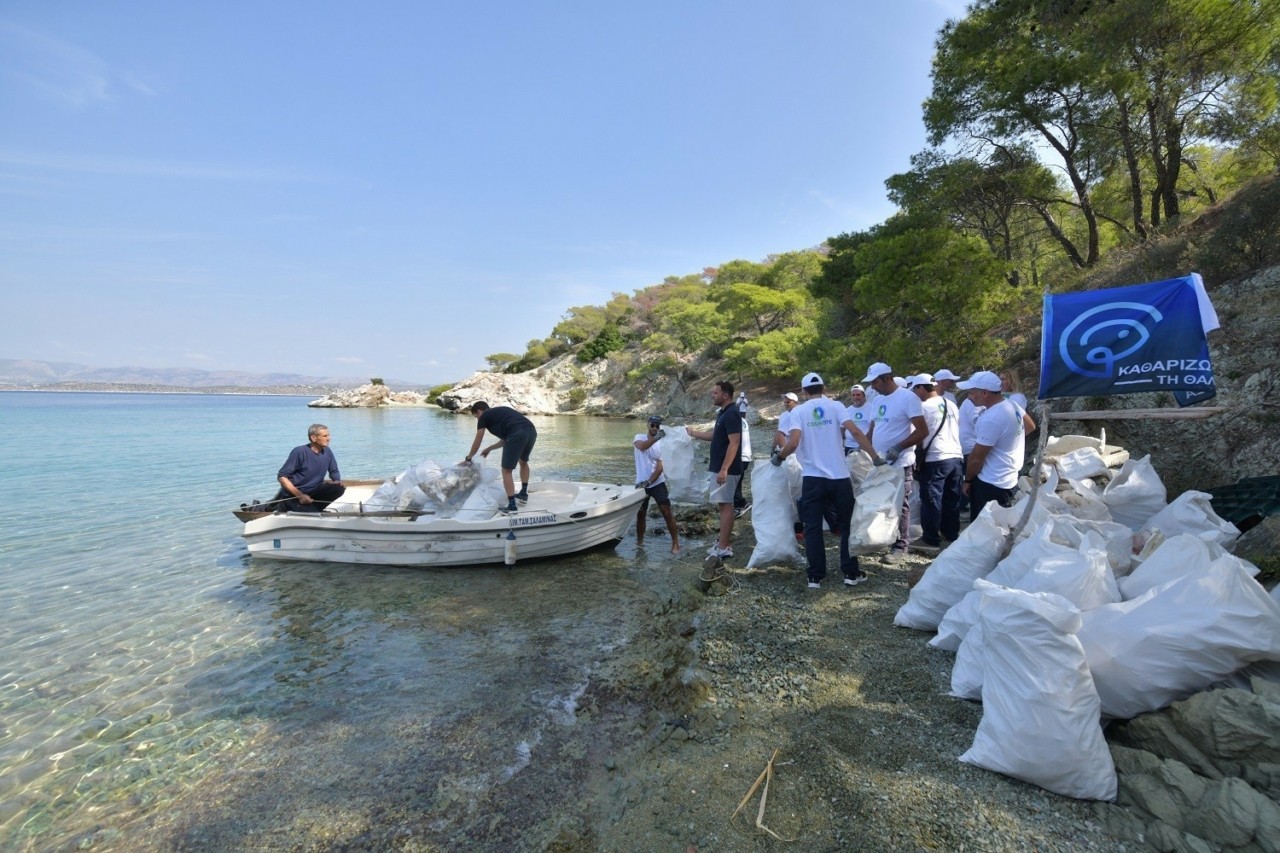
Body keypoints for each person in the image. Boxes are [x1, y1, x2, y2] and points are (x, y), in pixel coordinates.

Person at [775, 372, 882, 589]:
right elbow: (856, 433)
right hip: (839, 477)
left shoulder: (799, 412)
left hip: (812, 478)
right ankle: (850, 573)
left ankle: (815, 576)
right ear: (824, 389)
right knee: (847, 525)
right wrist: (875, 457)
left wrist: (779, 457)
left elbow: (793, 443)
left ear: (803, 392)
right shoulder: (837, 407)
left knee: (812, 527)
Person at [862, 361, 928, 561]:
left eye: (875, 382)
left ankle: (900, 546)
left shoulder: (907, 398)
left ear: (887, 378)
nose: (872, 387)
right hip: (880, 462)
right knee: (880, 501)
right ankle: (884, 538)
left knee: (900, 503)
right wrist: (864, 450)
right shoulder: (877, 400)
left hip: (901, 463)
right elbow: (873, 429)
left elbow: (922, 431)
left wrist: (899, 447)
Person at [958, 371, 1037, 520]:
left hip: (991, 481)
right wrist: (1008, 441)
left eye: (971, 392)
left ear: (985, 393)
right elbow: (1030, 426)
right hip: (1009, 477)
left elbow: (976, 458)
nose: (969, 397)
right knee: (1001, 524)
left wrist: (967, 481)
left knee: (983, 527)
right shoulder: (1011, 404)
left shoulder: (991, 418)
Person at [686, 380, 743, 560]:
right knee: (723, 505)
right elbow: (715, 436)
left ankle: (724, 547)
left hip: (726, 469)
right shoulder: (723, 413)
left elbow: (734, 443)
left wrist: (724, 469)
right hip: (720, 467)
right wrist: (692, 433)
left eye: (715, 393)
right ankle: (722, 544)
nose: (712, 395)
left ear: (726, 395)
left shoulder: (732, 414)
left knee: (725, 506)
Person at [910, 374, 963, 547]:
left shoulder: (923, 407)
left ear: (921, 388)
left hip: (935, 457)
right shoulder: (950, 404)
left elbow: (920, 433)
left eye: (915, 390)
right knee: (951, 497)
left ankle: (930, 539)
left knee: (931, 499)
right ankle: (951, 533)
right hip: (955, 455)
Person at [464, 401, 538, 513]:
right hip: (531, 431)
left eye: (476, 416)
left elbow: (478, 441)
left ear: (479, 411)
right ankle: (523, 493)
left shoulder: (484, 416)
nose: (477, 419)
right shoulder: (499, 412)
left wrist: (468, 458)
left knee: (506, 470)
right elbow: (506, 440)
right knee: (523, 462)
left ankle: (512, 506)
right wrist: (489, 448)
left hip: (517, 434)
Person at [633, 416, 680, 554]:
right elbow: (642, 446)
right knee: (641, 515)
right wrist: (656, 438)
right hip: (640, 485)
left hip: (657, 483)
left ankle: (676, 543)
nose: (655, 428)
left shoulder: (662, 445)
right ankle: (640, 542)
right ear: (648, 425)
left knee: (667, 512)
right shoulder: (639, 437)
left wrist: (649, 482)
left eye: (658, 426)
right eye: (652, 425)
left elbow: (660, 468)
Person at [273, 423, 345, 511]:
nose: (329, 438)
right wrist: (300, 496)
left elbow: (334, 471)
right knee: (312, 513)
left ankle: (314, 509)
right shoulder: (299, 451)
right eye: (325, 436)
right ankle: (285, 506)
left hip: (314, 491)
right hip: (295, 495)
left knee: (338, 489)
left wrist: (336, 480)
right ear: (313, 438)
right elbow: (282, 477)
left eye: (328, 435)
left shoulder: (327, 451)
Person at [732, 392, 753, 517]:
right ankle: (739, 503)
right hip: (746, 455)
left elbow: (734, 441)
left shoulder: (737, 421)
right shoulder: (743, 421)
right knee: (737, 480)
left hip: (740, 456)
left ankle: (740, 505)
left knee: (735, 481)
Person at [842, 384, 871, 455]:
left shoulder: (871, 408)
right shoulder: (847, 411)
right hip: (849, 446)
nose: (855, 397)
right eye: (853, 395)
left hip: (867, 446)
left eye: (858, 395)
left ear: (864, 396)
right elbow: (842, 428)